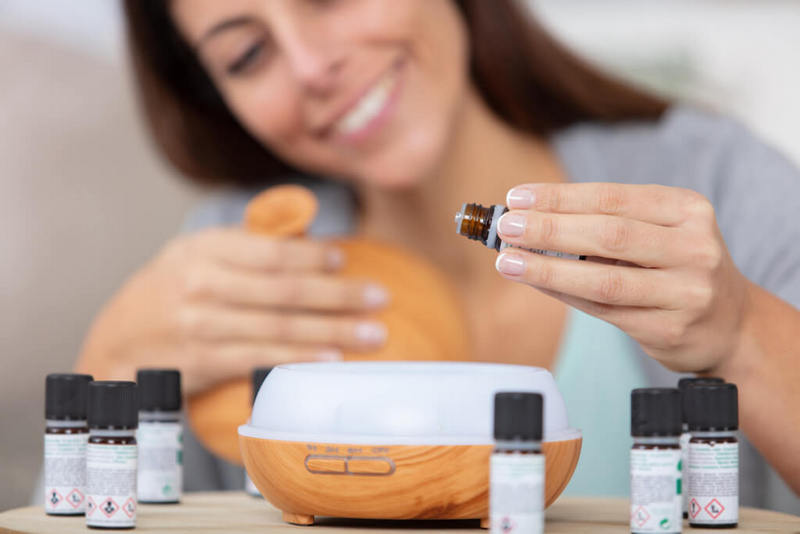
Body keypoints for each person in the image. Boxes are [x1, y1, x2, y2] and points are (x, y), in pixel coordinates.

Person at [75, 0, 799, 509]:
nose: (310, 66)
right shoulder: (232, 264)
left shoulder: (721, 184)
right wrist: (103, 378)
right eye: (247, 54)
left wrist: (743, 336)